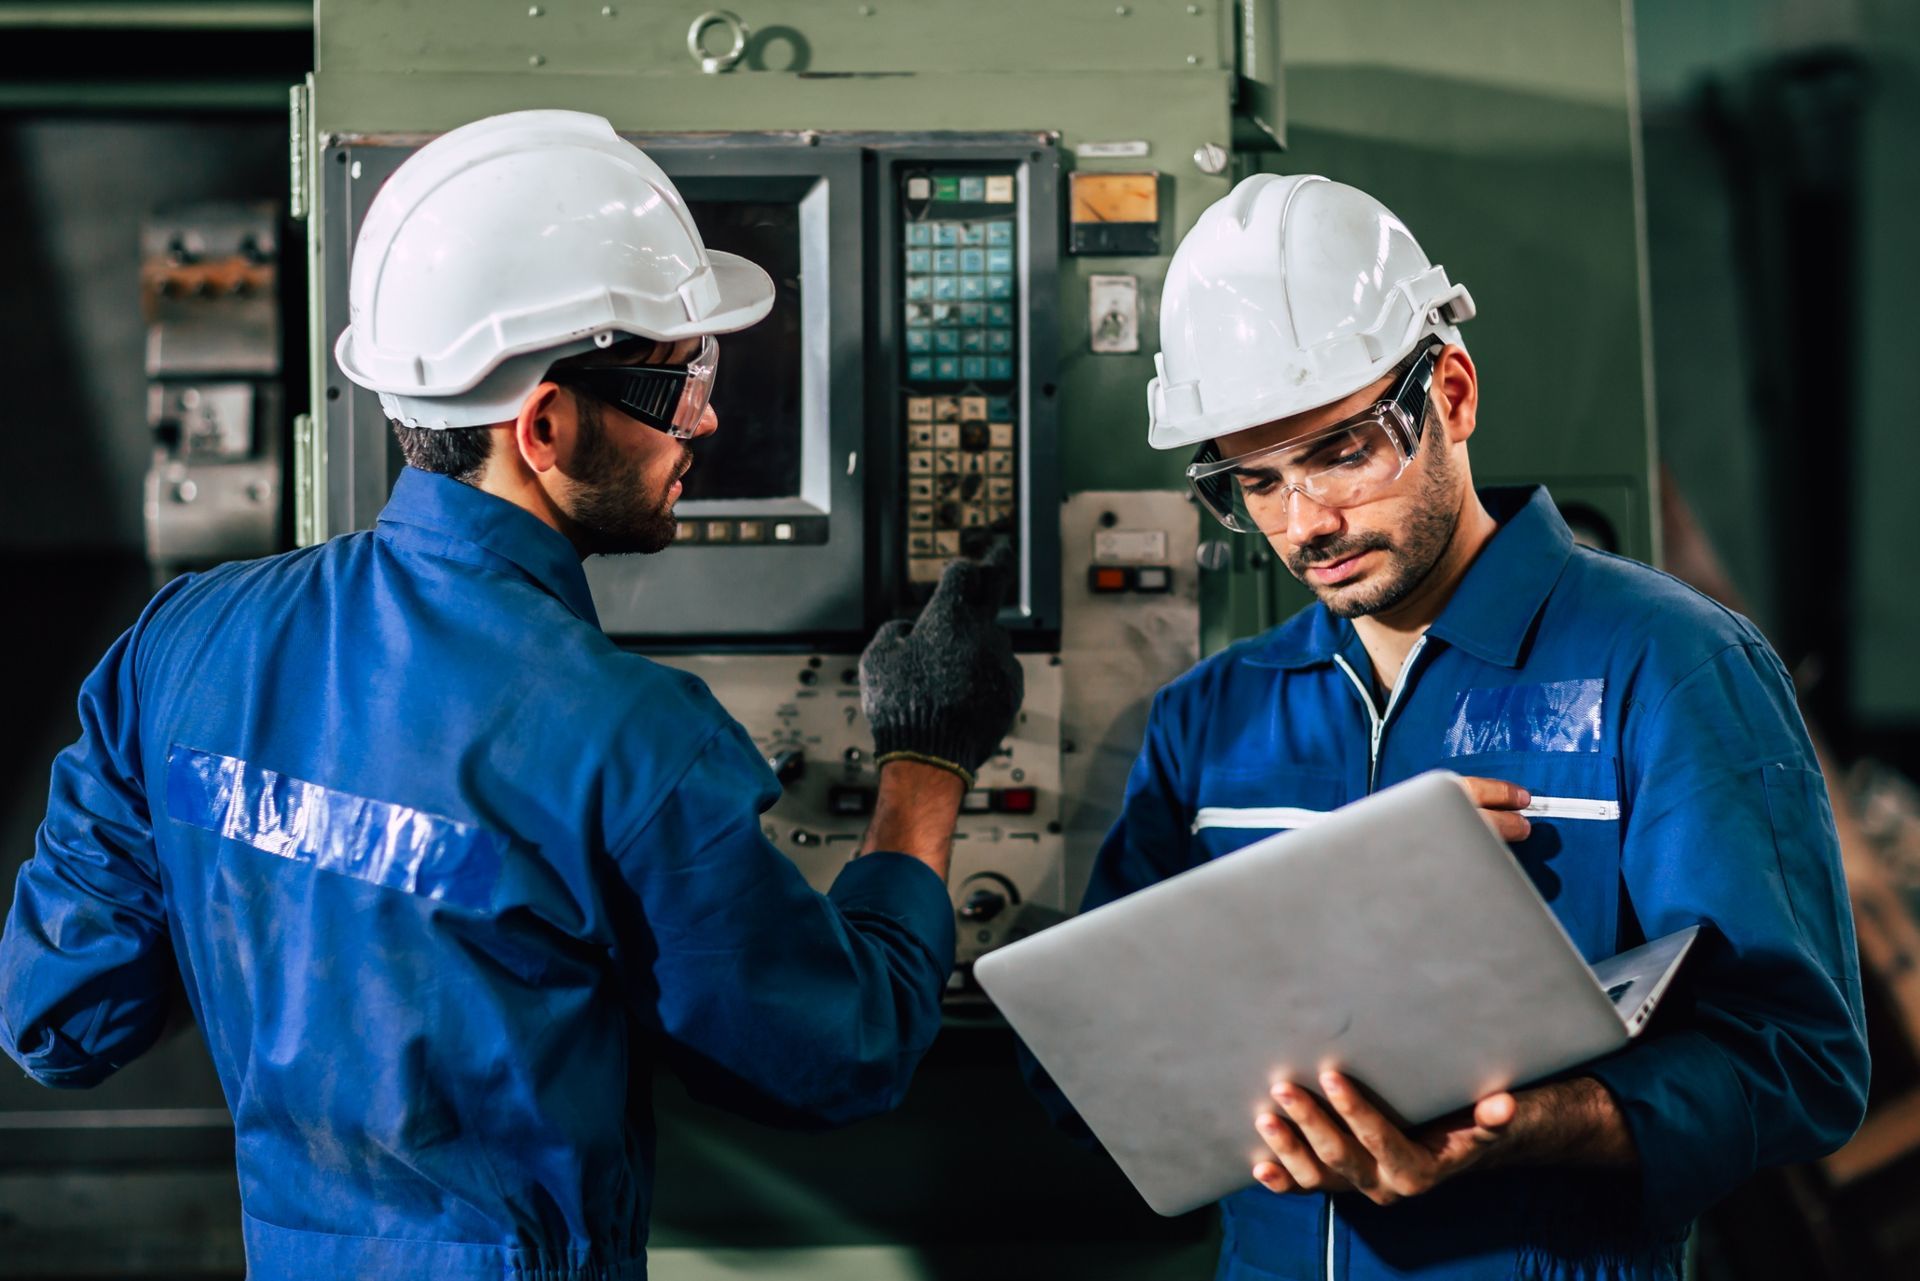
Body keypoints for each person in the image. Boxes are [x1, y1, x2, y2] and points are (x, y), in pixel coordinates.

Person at [0, 110, 1023, 1281]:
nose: (707, 421)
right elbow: (833, 1057)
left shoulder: (181, 642)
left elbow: (64, 1020)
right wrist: (927, 764)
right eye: (677, 385)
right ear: (541, 424)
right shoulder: (633, 739)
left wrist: (285, 896)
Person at [1027, 173, 1868, 1279]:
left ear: (1454, 394)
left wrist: (1544, 1121)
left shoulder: (1666, 668)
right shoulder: (1213, 720)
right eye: (1256, 482)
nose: (1305, 523)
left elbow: (1799, 1062)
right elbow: (1084, 1080)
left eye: (1342, 450)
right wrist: (1306, 920)